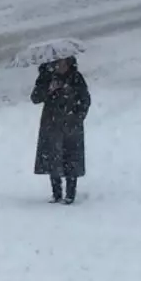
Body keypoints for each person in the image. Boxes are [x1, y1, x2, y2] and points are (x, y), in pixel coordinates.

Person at [31, 56, 91, 204]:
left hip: (71, 124)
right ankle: (56, 192)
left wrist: (77, 117)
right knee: (52, 157)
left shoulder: (76, 78)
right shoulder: (46, 77)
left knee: (71, 158)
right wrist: (49, 89)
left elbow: (85, 100)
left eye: (63, 62)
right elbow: (35, 98)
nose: (60, 65)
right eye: (57, 63)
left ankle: (70, 193)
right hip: (51, 123)